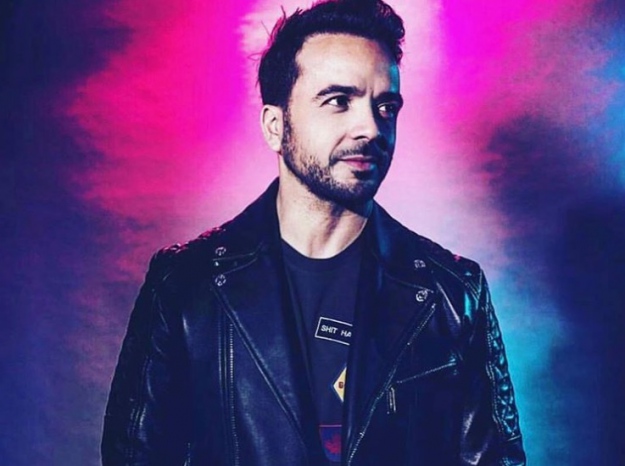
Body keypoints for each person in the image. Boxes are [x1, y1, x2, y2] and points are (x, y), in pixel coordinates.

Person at [101, 0, 526, 464]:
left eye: (386, 106)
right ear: (275, 126)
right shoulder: (185, 286)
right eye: (338, 101)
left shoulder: (453, 294)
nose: (371, 127)